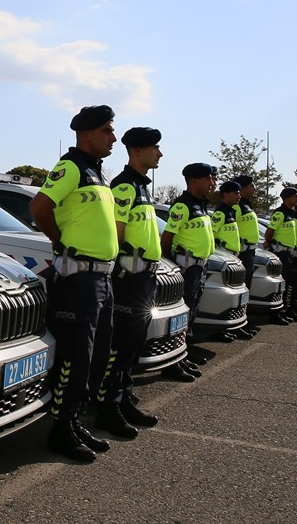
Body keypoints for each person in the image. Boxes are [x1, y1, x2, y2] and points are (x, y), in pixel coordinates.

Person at [30, 105, 119, 464]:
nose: (113, 137)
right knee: (75, 355)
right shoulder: (71, 167)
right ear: (87, 134)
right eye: (107, 131)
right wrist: (60, 242)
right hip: (79, 277)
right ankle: (60, 429)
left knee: (97, 354)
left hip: (102, 276)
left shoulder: (97, 174)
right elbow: (39, 207)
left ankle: (74, 417)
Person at [92, 126, 166, 438]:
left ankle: (122, 398)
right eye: (155, 148)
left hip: (144, 278)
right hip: (128, 278)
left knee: (132, 347)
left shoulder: (142, 186)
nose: (160, 153)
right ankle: (108, 408)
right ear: (136, 151)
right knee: (119, 347)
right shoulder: (124, 187)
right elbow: (117, 231)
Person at [161, 163, 220, 356]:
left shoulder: (200, 205)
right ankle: (177, 354)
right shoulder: (183, 205)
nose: (212, 183)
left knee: (192, 310)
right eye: (208, 179)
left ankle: (186, 350)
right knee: (183, 312)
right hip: (187, 268)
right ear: (194, 181)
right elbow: (167, 238)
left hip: (200, 268)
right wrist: (172, 265)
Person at [233, 174, 284, 326]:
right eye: (251, 186)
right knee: (240, 288)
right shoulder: (237, 206)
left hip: (250, 251)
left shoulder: (247, 205)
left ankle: (242, 320)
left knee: (246, 287)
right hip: (241, 252)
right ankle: (238, 321)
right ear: (241, 188)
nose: (254, 188)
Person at [211, 180, 254, 338]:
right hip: (224, 258)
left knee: (237, 294)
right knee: (226, 295)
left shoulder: (231, 211)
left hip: (234, 257)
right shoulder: (220, 212)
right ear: (226, 194)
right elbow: (213, 235)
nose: (239, 196)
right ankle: (220, 330)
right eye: (235, 193)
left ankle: (235, 325)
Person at [265, 187, 297, 322]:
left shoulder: (291, 214)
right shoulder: (280, 213)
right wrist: (271, 243)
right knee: (281, 284)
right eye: (296, 196)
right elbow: (269, 232)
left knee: (290, 283)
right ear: (287, 198)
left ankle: (289, 310)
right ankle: (275, 314)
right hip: (280, 252)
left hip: (289, 253)